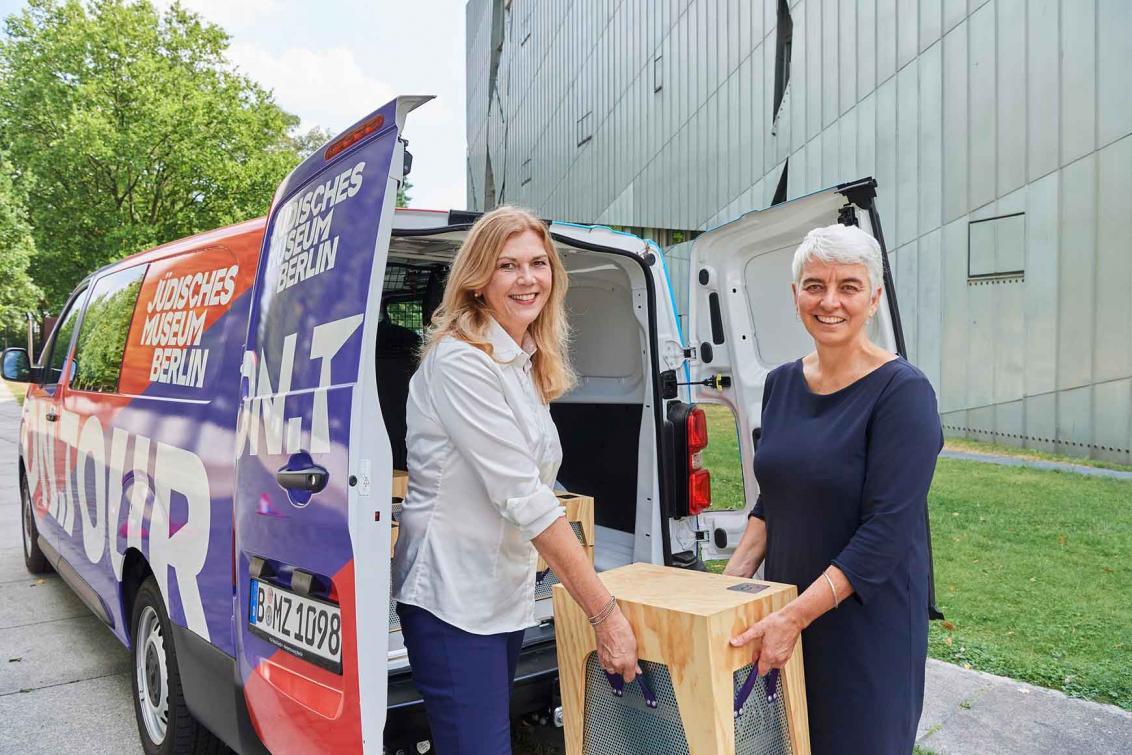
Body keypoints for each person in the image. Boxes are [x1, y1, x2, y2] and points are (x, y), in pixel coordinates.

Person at [392, 206, 639, 754]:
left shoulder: (519, 358)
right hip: (452, 598)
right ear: (479, 281)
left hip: (499, 592)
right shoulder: (462, 362)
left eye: (538, 263)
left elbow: (535, 482)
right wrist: (604, 610)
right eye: (508, 266)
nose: (528, 279)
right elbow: (524, 498)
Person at [725, 223, 942, 755]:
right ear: (795, 295)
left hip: (864, 622)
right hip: (784, 608)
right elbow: (772, 497)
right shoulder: (780, 383)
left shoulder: (902, 392)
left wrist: (795, 616)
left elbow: (888, 531)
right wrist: (725, 591)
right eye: (814, 285)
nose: (830, 301)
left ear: (873, 298)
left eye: (848, 286)